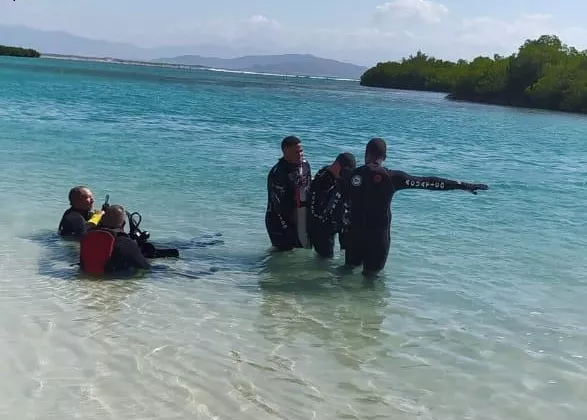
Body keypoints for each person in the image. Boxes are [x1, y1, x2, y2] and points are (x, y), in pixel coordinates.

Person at [344, 137, 489, 276]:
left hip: (354, 236)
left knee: (347, 274)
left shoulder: (352, 175)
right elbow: (428, 182)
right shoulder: (392, 177)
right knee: (371, 281)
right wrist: (462, 185)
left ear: (366, 154)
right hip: (377, 239)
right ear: (385, 157)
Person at [265, 135, 312, 251]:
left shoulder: (305, 165)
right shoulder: (278, 173)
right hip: (278, 218)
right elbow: (278, 204)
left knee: (303, 251)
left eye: (301, 151)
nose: (300, 154)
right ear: (285, 152)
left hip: (300, 217)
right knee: (282, 253)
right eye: (296, 152)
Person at [307, 152, 356, 258]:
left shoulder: (341, 179)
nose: (345, 175)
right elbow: (315, 211)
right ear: (338, 165)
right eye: (345, 171)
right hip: (322, 228)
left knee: (347, 255)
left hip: (338, 222)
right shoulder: (322, 179)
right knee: (325, 258)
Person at [79, 204, 150, 275]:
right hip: (110, 281)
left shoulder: (86, 236)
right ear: (123, 224)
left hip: (85, 277)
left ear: (101, 220)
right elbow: (145, 267)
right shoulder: (124, 241)